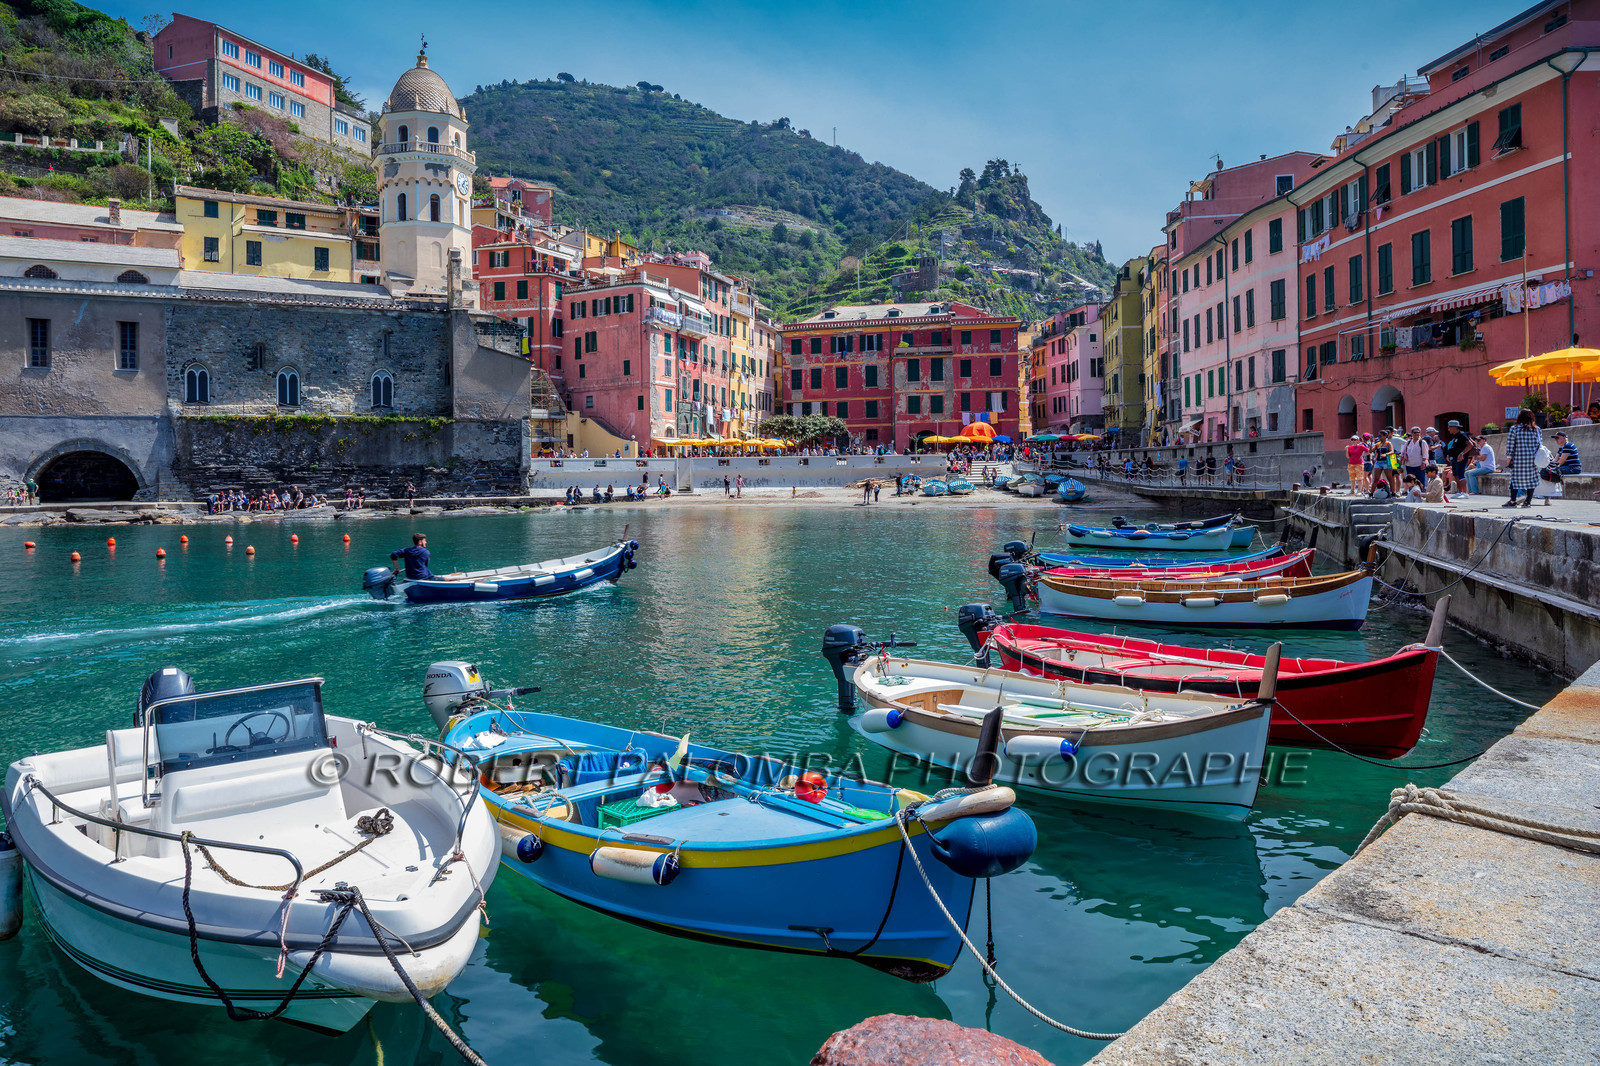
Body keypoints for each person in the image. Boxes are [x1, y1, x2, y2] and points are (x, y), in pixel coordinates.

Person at [1503, 409, 1542, 508]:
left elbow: (1510, 444)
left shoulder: (1514, 429)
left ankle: (1513, 501)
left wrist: (1509, 457)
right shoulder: (1537, 429)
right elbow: (1540, 444)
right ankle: (1528, 502)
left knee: (1514, 480)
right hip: (1532, 460)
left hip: (1518, 459)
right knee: (1531, 480)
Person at [1443, 420, 1471, 490]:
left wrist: (1462, 454)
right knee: (1455, 475)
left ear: (1454, 427)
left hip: (1460, 459)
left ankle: (1464, 492)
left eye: (1449, 427)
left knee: (1461, 475)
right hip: (1454, 458)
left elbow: (1470, 445)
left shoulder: (1461, 435)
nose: (1448, 429)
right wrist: (1449, 454)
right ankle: (1460, 492)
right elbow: (1453, 447)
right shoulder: (1454, 436)